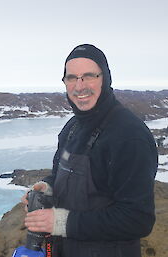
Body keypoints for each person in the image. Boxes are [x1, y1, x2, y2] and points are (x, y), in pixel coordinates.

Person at [22, 44, 158, 257]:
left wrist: (59, 222)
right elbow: (62, 175)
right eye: (71, 78)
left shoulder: (129, 136)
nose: (80, 86)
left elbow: (137, 219)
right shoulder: (72, 127)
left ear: (105, 79)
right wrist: (47, 187)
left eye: (89, 76)